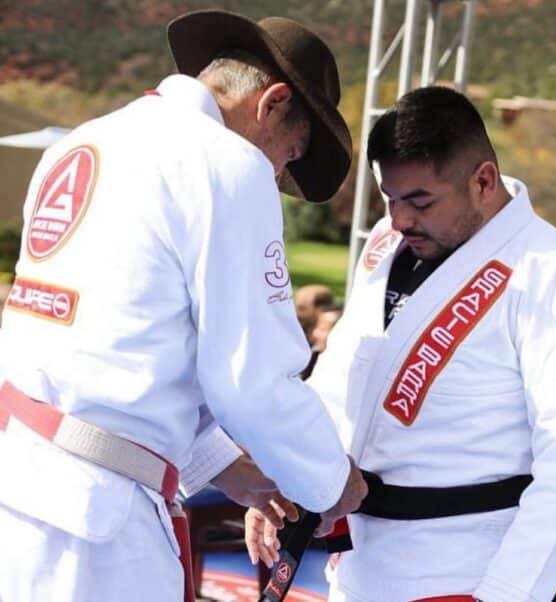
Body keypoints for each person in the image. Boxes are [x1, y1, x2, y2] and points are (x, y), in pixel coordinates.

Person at [0, 9, 367, 602]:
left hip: (18, 489)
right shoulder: (227, 165)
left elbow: (123, 348)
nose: (279, 173)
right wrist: (331, 481)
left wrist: (228, 470)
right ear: (272, 103)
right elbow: (253, 380)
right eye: (290, 154)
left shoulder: (81, 143)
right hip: (96, 534)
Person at [247, 86, 556, 602]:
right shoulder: (386, 242)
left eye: (420, 201)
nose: (400, 219)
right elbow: (342, 375)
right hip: (361, 566)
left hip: (463, 570)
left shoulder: (555, 275)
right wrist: (290, 483)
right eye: (390, 198)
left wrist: (506, 592)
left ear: (483, 181)